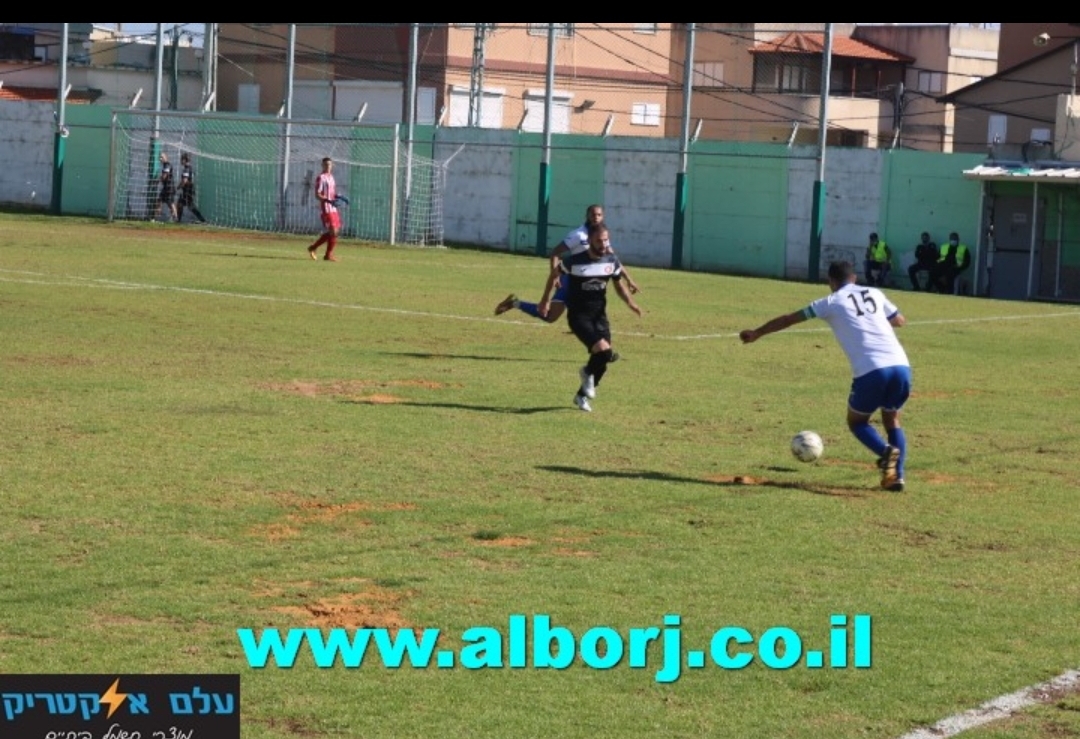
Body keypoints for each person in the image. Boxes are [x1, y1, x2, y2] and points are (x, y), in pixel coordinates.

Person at [739, 260, 910, 492]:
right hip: (901, 367)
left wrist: (758, 332)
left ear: (830, 282)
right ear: (855, 279)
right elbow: (899, 320)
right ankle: (896, 477)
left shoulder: (830, 302)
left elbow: (790, 318)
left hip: (871, 371)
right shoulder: (874, 292)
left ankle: (885, 452)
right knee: (892, 420)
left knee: (857, 422)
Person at [538, 222, 642, 412]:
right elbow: (554, 275)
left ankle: (581, 396)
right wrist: (545, 300)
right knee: (602, 351)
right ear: (590, 241)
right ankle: (586, 372)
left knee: (605, 358)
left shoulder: (611, 260)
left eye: (605, 240)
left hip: (599, 316)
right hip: (579, 315)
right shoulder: (574, 261)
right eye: (599, 241)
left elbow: (618, 284)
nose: (603, 245)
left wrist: (630, 303)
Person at [494, 204, 640, 323]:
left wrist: (629, 279)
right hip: (570, 279)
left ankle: (598, 343)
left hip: (587, 281)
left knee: (591, 313)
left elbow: (612, 259)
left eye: (599, 215)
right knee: (550, 317)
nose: (596, 217)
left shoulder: (602, 236)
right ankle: (514, 303)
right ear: (587, 216)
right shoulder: (578, 235)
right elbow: (555, 253)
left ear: (603, 216)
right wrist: (555, 275)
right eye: (593, 214)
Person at [307, 157, 340, 262]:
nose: (327, 166)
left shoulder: (332, 177)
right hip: (326, 208)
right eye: (325, 164)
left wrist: (338, 196)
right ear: (322, 165)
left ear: (332, 165)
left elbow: (332, 194)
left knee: (335, 232)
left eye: (329, 164)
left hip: (333, 208)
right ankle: (325, 253)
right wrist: (327, 199)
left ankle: (318, 249)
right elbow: (317, 195)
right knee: (333, 231)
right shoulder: (320, 178)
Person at [175, 153, 206, 224]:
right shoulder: (190, 168)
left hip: (188, 190)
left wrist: (179, 187)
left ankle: (202, 220)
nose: (180, 161)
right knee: (181, 204)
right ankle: (178, 220)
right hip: (189, 190)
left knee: (189, 206)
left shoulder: (186, 169)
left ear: (185, 160)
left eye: (181, 159)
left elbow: (184, 181)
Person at [157, 152, 178, 222]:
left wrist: (158, 180)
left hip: (169, 187)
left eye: (162, 157)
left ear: (166, 157)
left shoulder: (167, 165)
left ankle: (175, 217)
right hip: (166, 187)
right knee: (159, 200)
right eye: (160, 157)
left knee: (170, 202)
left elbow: (165, 176)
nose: (160, 159)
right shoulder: (164, 165)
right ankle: (156, 217)